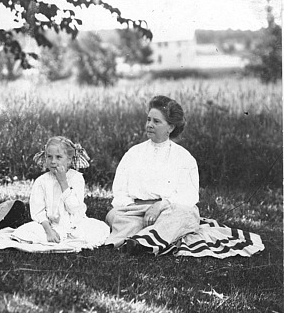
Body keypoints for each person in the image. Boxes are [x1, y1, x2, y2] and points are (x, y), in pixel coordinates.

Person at [104, 95, 200, 255]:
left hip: (168, 210)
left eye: (156, 121)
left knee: (187, 214)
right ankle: (150, 240)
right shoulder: (133, 153)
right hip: (134, 211)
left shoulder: (183, 157)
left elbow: (189, 196)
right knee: (117, 216)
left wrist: (161, 206)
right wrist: (132, 207)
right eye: (148, 120)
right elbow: (120, 191)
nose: (149, 125)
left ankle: (141, 241)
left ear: (170, 127)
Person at [11, 136, 110, 246]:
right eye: (49, 157)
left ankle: (69, 237)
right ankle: (53, 237)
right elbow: (37, 211)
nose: (53, 161)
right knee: (24, 232)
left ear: (68, 159)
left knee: (99, 229)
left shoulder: (76, 178)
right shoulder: (41, 181)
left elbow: (74, 208)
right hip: (50, 225)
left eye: (58, 157)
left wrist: (63, 182)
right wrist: (49, 231)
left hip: (74, 225)